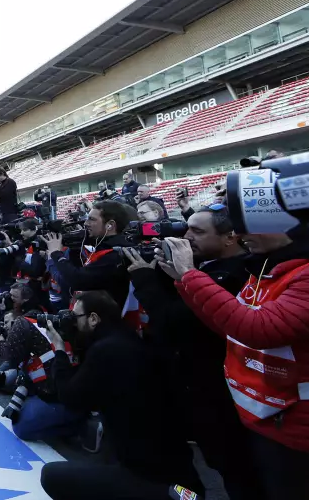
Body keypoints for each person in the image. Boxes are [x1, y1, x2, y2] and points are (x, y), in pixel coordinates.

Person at [170, 228, 309, 500]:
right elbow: (230, 327)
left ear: (290, 226)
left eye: (253, 223)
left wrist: (191, 274)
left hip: (308, 436)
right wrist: (183, 281)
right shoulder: (270, 271)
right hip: (272, 419)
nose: (242, 233)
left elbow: (256, 330)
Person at [124, 207, 262, 500]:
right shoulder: (205, 266)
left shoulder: (238, 273)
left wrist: (147, 280)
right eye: (187, 229)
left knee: (236, 469)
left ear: (229, 238)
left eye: (198, 231)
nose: (187, 237)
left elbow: (176, 322)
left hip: (216, 389)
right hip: (193, 384)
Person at [39, 291, 202, 500]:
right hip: (174, 464)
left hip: (149, 476)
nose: (72, 322)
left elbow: (71, 399)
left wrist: (60, 350)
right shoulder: (130, 339)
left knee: (51, 475)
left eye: (75, 317)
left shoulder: (106, 350)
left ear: (93, 318)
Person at [43, 201, 135, 309]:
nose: (86, 223)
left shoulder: (116, 253)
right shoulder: (102, 245)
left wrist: (56, 253)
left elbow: (78, 279)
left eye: (92, 219)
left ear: (110, 225)